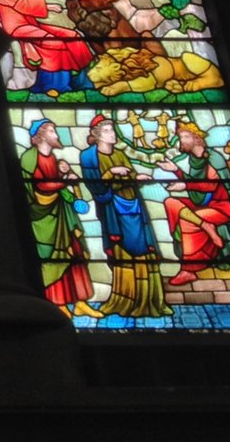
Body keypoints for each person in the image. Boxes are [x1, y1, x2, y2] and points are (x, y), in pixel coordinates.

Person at [79, 115, 171, 317]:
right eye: (107, 131)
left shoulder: (120, 153)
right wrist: (111, 173)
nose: (112, 134)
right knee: (123, 253)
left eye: (113, 130)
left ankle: (149, 300)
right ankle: (126, 299)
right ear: (96, 135)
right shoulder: (88, 157)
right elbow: (95, 186)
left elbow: (129, 175)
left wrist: (137, 177)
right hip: (113, 209)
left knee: (145, 251)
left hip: (134, 205)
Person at [21, 119, 99, 318]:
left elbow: (57, 186)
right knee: (53, 259)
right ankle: (57, 304)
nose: (57, 135)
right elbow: (38, 188)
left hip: (64, 215)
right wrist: (64, 182)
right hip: (45, 218)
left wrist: (69, 180)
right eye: (53, 131)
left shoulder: (54, 160)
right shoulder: (30, 158)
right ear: (41, 135)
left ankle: (80, 301)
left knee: (75, 255)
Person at [156, 122, 230, 286]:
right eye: (180, 137)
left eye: (185, 137)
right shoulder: (195, 160)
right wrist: (175, 170)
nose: (181, 141)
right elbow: (197, 189)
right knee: (170, 202)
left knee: (187, 220)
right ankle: (205, 226)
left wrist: (184, 185)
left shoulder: (213, 158)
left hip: (222, 206)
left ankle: (188, 270)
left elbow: (211, 185)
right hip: (204, 207)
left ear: (197, 139)